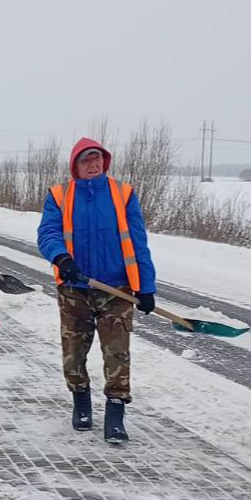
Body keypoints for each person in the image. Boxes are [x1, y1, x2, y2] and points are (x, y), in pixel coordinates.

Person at [36, 137, 156, 444]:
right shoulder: (60, 195)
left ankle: (115, 414)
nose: (94, 165)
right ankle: (81, 403)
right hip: (74, 288)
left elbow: (138, 242)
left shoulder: (123, 193)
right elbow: (48, 233)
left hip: (117, 288)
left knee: (117, 352)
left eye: (98, 159)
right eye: (86, 160)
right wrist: (61, 258)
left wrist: (146, 286)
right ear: (75, 165)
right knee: (74, 351)